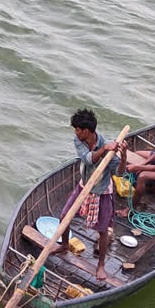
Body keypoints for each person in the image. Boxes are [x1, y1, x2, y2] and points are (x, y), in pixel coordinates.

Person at [51, 108, 127, 281]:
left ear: (86, 131)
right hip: (84, 186)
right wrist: (105, 149)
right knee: (64, 216)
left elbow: (119, 173)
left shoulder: (108, 147)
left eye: (78, 129)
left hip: (101, 192)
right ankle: (64, 245)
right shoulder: (80, 142)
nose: (76, 133)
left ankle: (100, 266)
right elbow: (87, 159)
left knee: (102, 231)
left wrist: (123, 157)